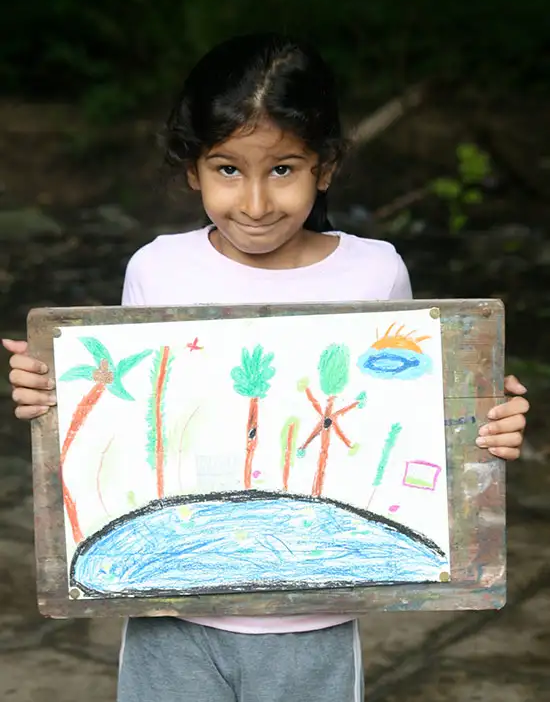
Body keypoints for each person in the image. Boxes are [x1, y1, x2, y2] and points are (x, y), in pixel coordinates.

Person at [3, 34, 529, 702]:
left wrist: (484, 427)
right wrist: (53, 390)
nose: (254, 203)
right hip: (172, 616)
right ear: (192, 167)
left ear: (326, 166)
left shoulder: (374, 270)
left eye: (283, 169)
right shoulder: (156, 268)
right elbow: (128, 414)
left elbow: (417, 412)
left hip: (317, 623)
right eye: (228, 170)